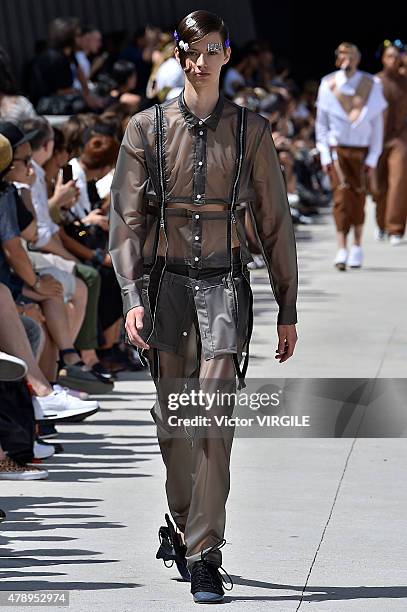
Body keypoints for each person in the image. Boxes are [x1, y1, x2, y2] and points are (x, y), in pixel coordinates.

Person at [109, 10, 298, 604]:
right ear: (179, 55)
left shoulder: (252, 130)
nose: (202, 58)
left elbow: (275, 223)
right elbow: (125, 220)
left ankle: (204, 554)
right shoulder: (145, 129)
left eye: (213, 47)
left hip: (223, 289)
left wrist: (287, 307)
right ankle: (185, 523)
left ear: (227, 54)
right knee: (174, 428)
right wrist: (131, 296)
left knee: (212, 421)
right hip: (164, 288)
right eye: (192, 48)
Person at [315, 42, 387, 270]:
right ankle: (342, 247)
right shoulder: (328, 84)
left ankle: (357, 246)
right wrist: (325, 154)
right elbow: (322, 124)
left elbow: (377, 123)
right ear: (338, 59)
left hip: (362, 150)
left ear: (358, 59)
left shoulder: (371, 84)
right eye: (343, 56)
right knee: (340, 198)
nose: (348, 60)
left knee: (358, 198)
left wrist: (374, 156)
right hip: (338, 151)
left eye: (352, 56)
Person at [374, 41, 407, 245]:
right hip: (376, 140)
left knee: (399, 180)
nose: (393, 60)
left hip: (400, 138)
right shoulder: (375, 82)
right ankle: (381, 225)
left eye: (397, 56)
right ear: (383, 58)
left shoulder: (405, 80)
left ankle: (395, 228)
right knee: (379, 185)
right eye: (390, 56)